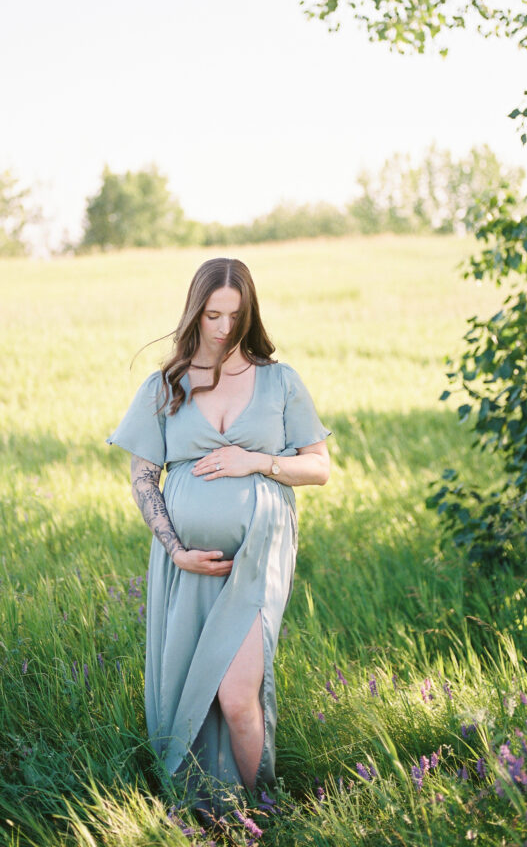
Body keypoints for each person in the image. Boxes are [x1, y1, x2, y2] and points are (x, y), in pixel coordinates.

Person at [106, 257, 330, 814]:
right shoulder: (167, 384)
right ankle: (209, 806)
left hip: (257, 558)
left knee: (236, 694)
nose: (224, 328)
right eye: (213, 315)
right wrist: (176, 550)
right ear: (195, 313)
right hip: (186, 563)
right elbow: (141, 476)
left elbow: (319, 467)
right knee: (188, 685)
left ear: (248, 313)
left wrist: (255, 460)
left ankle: (264, 809)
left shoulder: (279, 381)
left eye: (235, 315)